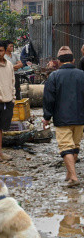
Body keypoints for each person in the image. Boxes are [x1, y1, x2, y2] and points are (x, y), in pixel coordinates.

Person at [43, 46, 84, 188]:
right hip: (80, 118)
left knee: (66, 147)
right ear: (73, 60)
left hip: (62, 118)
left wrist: (46, 117)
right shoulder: (82, 74)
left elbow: (49, 99)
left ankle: (73, 177)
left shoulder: (54, 76)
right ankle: (69, 173)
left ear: (58, 62)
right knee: (75, 145)